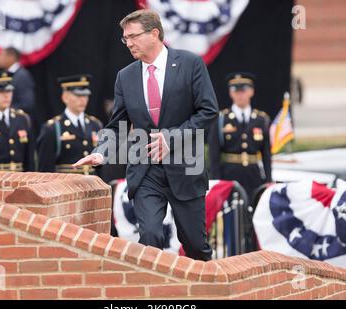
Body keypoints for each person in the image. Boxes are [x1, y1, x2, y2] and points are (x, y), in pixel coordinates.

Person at [73, 9, 218, 261]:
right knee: (150, 239)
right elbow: (117, 124)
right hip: (145, 169)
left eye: (133, 36)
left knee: (194, 244)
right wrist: (101, 152)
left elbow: (208, 111)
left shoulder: (190, 64)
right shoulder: (125, 76)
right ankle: (157, 296)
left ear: (155, 33)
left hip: (187, 165)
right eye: (125, 38)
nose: (128, 43)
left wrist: (171, 138)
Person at [208, 72, 272, 202]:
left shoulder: (261, 119)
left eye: (243, 90)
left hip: (254, 176)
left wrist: (269, 180)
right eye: (236, 91)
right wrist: (216, 182)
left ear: (251, 92)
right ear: (231, 93)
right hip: (229, 175)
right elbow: (213, 155)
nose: (240, 94)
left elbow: (266, 155)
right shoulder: (221, 119)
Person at [37, 75, 103, 174]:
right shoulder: (53, 128)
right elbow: (45, 169)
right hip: (66, 186)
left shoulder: (95, 124)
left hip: (92, 184)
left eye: (85, 95)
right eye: (78, 95)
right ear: (65, 97)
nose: (83, 100)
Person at [0, 47, 36, 116]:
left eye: (1, 55)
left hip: (17, 122)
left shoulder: (22, 76)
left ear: (11, 57)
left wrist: (3, 109)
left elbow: (27, 103)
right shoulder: (5, 75)